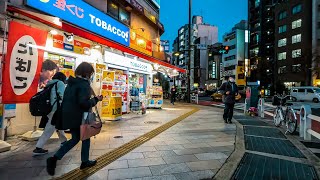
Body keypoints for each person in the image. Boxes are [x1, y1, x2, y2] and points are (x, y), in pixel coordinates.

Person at [46, 62, 103, 176]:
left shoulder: (71, 83)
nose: (91, 75)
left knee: (76, 139)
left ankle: (56, 158)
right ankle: (82, 161)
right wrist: (96, 99)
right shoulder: (83, 85)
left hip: (71, 116)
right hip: (80, 117)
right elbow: (83, 103)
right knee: (84, 138)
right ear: (87, 73)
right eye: (91, 73)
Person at [33, 72, 68, 156]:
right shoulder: (60, 83)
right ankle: (38, 147)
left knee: (58, 125)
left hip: (49, 109)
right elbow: (62, 96)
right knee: (49, 129)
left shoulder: (50, 83)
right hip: (55, 109)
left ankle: (64, 142)